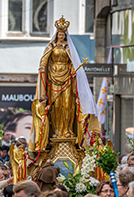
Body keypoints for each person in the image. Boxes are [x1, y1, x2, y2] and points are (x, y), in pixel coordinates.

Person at [29, 16, 99, 151]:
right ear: (56, 35)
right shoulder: (51, 46)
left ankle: (67, 131)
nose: (61, 36)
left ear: (65, 36)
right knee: (55, 107)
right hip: (53, 79)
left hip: (67, 79)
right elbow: (44, 60)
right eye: (59, 34)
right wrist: (43, 68)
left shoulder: (69, 48)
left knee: (67, 105)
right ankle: (56, 132)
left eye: (63, 34)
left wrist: (73, 71)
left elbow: (74, 63)